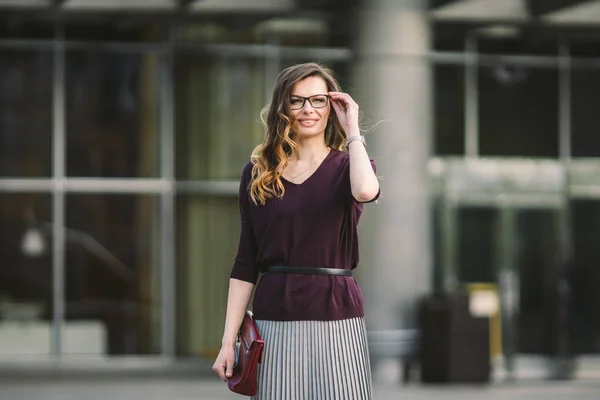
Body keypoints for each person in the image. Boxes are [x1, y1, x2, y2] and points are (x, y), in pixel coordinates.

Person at [212, 62, 380, 399]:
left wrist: (353, 130)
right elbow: (246, 261)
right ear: (282, 108)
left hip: (338, 313)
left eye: (318, 101)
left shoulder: (350, 165)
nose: (308, 110)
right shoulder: (258, 173)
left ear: (332, 107)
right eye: (296, 101)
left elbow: (365, 191)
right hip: (275, 314)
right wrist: (228, 340)